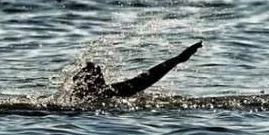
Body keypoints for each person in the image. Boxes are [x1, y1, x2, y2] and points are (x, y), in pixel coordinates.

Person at [70, 41, 202, 100]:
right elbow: (144, 81)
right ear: (88, 84)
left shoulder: (108, 92)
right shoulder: (108, 94)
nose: (101, 74)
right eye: (96, 74)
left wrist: (177, 59)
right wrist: (178, 59)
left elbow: (144, 79)